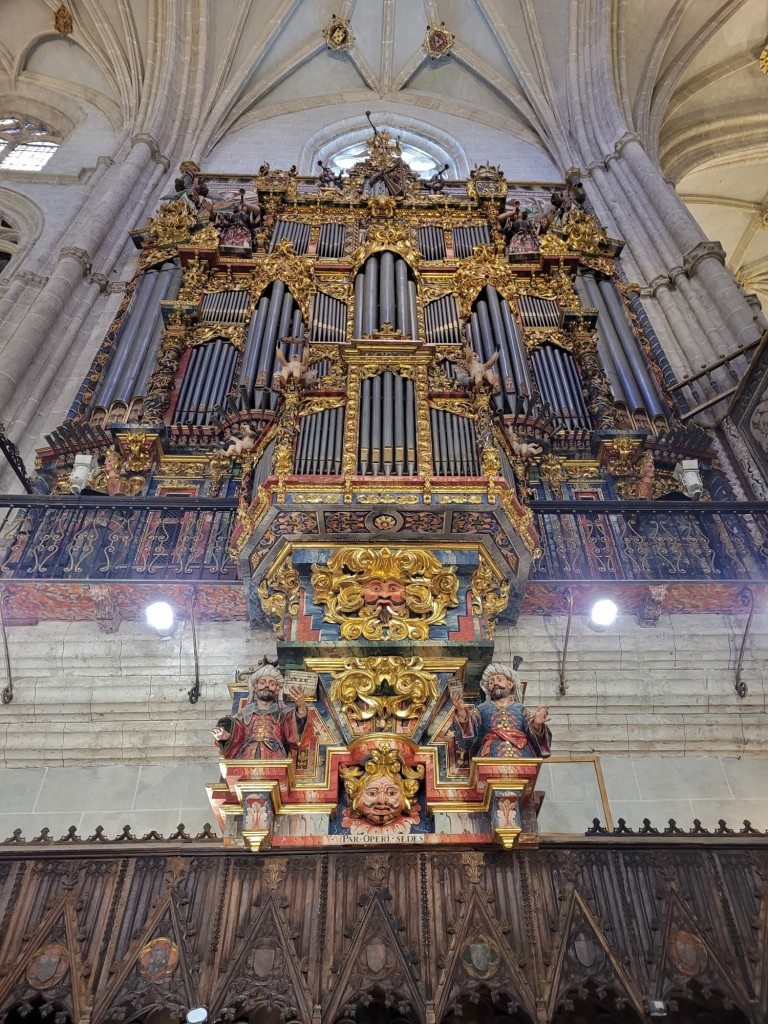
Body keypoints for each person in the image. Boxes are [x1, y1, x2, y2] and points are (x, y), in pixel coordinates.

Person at [449, 661, 551, 759]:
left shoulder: (521, 709)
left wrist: (537, 725)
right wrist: (461, 711)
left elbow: (537, 740)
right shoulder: (481, 709)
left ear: (510, 685)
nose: (495, 683)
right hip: (491, 757)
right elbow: (467, 737)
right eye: (491, 682)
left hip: (521, 756)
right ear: (488, 689)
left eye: (500, 679)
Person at [212, 664, 311, 759]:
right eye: (262, 683)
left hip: (275, 760)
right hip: (246, 759)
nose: (267, 686)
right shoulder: (243, 715)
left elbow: (297, 738)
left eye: (272, 684)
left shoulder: (283, 715)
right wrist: (225, 736)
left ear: (277, 690)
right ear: (255, 687)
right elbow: (234, 737)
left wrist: (301, 707)